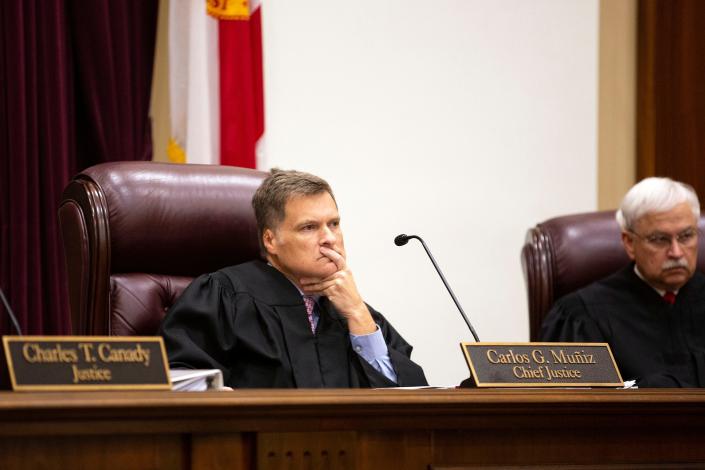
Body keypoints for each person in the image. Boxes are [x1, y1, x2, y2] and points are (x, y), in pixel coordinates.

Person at [159, 169, 427, 388]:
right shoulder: (224, 296)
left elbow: (409, 399)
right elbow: (178, 380)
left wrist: (358, 315)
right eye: (309, 227)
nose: (329, 238)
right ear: (270, 239)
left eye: (333, 224)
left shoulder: (355, 311)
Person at [541, 177, 705, 387]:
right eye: (659, 239)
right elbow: (571, 408)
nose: (676, 252)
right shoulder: (582, 315)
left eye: (686, 236)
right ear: (629, 243)